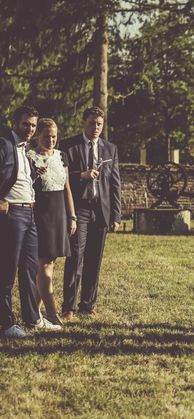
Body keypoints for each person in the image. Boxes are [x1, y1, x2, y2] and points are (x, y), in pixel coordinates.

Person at [0, 106, 61, 338]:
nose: (30, 128)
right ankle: (5, 324)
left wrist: (34, 175)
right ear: (15, 122)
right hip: (12, 215)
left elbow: (18, 177)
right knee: (6, 271)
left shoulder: (25, 150)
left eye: (33, 125)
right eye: (26, 123)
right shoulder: (5, 144)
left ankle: (32, 318)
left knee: (29, 269)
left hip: (30, 214)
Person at [61, 106, 121, 321]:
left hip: (101, 211)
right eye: (91, 123)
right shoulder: (69, 145)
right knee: (76, 257)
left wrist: (116, 215)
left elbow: (115, 184)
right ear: (83, 123)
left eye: (99, 124)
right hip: (79, 209)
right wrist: (81, 175)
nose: (95, 127)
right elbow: (62, 178)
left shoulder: (110, 149)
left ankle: (88, 304)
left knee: (94, 260)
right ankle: (69, 307)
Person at [30, 118, 77, 325]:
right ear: (37, 136)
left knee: (50, 265)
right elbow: (24, 185)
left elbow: (67, 188)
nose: (51, 140)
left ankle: (33, 314)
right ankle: (51, 313)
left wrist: (72, 216)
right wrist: (34, 175)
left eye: (54, 136)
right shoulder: (30, 157)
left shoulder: (61, 156)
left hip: (60, 214)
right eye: (46, 136)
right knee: (45, 264)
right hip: (41, 214)